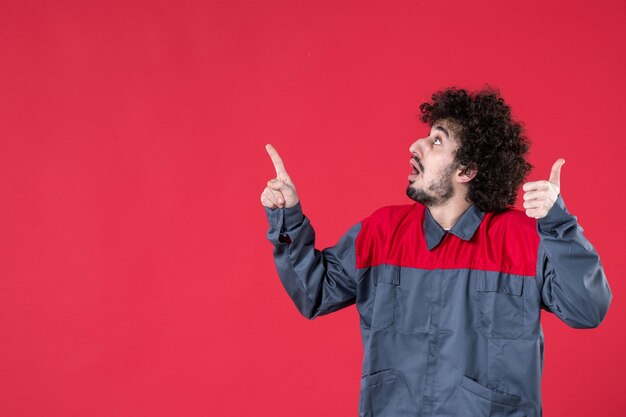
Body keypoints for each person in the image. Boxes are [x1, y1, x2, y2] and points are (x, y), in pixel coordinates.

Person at [260, 87, 612, 417]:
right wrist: (287, 216)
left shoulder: (526, 239)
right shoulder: (381, 233)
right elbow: (315, 293)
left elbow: (587, 309)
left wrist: (558, 225)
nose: (416, 144)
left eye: (436, 140)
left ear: (467, 170)